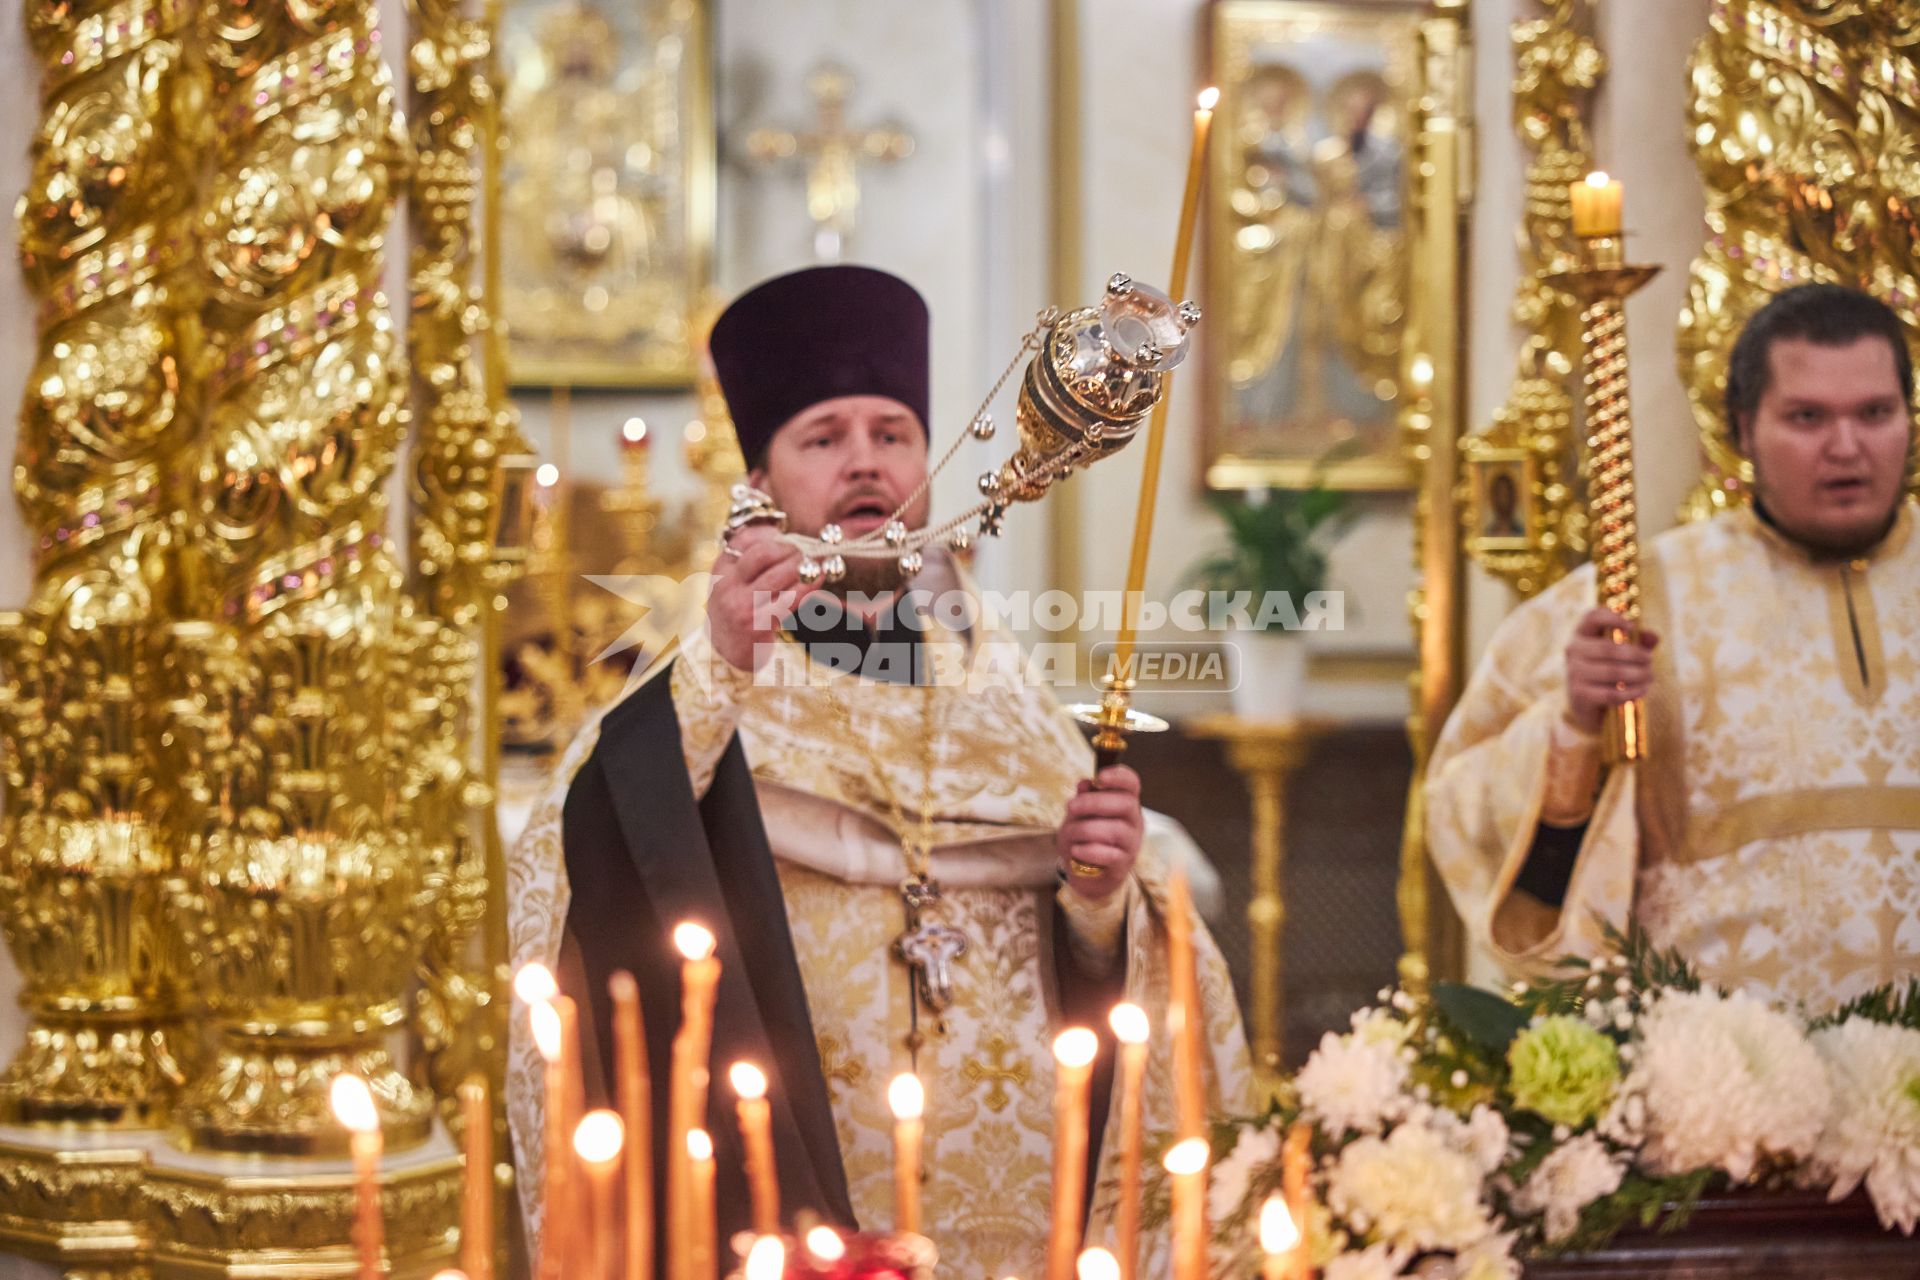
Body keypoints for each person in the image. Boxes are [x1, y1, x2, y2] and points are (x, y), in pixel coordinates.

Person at [506, 265, 1252, 1275]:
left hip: (1020, 1226)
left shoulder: (1010, 689)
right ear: (760, 483)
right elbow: (583, 854)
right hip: (805, 1188)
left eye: (894, 432)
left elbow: (1111, 966)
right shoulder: (715, 674)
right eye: (824, 437)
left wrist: (1098, 895)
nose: (867, 463)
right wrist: (721, 670)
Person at [1427, 282, 1919, 1012]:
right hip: (1731, 1082)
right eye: (1807, 417)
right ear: (1742, 430)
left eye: (1874, 414)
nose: (1845, 447)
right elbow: (1461, 807)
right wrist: (1571, 730)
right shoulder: (1633, 600)